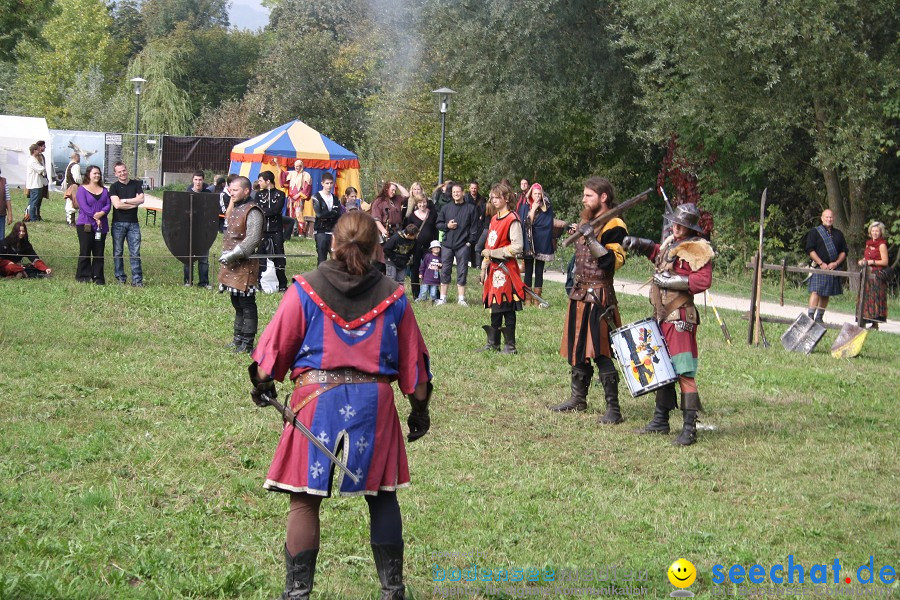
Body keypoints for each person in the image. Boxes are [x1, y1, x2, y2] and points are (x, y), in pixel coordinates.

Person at [247, 210, 432, 600]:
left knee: (304, 500)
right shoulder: (393, 297)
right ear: (376, 247)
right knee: (382, 496)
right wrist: (419, 408)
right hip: (374, 406)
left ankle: (297, 594)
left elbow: (275, 347)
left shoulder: (305, 289)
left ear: (333, 242)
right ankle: (392, 591)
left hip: (316, 403)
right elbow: (414, 364)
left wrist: (262, 383)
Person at [623, 203, 713, 446]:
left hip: (680, 318)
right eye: (674, 222)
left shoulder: (698, 249)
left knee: (684, 371)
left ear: (689, 227)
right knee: (661, 368)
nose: (675, 226)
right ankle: (660, 420)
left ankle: (689, 429)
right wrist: (641, 244)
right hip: (662, 317)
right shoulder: (671, 244)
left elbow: (703, 280)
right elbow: (659, 256)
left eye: (680, 224)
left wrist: (673, 281)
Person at [551, 177, 627, 425]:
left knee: (601, 350)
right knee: (578, 347)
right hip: (579, 293)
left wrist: (592, 238)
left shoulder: (615, 224)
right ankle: (578, 398)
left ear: (603, 197)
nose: (583, 199)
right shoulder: (588, 220)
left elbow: (612, 261)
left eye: (588, 196)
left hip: (599, 296)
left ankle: (613, 409)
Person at [218, 176, 264, 353]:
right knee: (236, 302)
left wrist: (233, 255)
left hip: (245, 264)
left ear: (246, 191)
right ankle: (237, 340)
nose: (231, 192)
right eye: (230, 189)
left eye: (235, 190)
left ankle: (247, 343)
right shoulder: (237, 208)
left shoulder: (253, 210)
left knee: (247, 304)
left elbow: (252, 240)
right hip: (232, 264)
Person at [479, 183, 525, 354]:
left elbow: (517, 246)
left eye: (497, 197)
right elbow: (488, 244)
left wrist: (493, 253)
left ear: (506, 198)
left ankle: (510, 345)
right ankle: (493, 343)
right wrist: (484, 267)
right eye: (492, 197)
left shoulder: (512, 219)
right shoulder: (493, 219)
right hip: (493, 270)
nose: (494, 200)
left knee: (507, 306)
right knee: (495, 305)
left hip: (506, 270)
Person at [805, 208, 848, 323]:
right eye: (827, 217)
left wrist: (836, 263)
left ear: (833, 218)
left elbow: (844, 251)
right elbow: (810, 249)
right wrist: (821, 263)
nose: (829, 219)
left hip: (832, 267)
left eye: (831, 217)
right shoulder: (815, 232)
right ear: (822, 218)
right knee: (815, 291)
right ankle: (810, 316)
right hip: (819, 266)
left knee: (826, 293)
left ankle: (819, 317)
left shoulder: (838, 234)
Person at [517, 182, 555, 306]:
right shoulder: (525, 207)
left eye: (539, 194)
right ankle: (527, 299)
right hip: (529, 243)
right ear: (531, 194)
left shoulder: (547, 207)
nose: (538, 196)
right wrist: (533, 209)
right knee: (528, 270)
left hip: (541, 242)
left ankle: (537, 299)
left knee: (539, 270)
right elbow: (526, 224)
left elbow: (547, 225)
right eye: (535, 194)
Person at [108, 162, 145, 287]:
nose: (122, 173)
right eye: (119, 172)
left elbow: (142, 199)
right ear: (115, 174)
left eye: (124, 170)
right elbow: (117, 205)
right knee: (118, 252)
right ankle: (120, 278)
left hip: (133, 224)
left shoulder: (136, 184)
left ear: (127, 170)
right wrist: (134, 204)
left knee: (135, 252)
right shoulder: (113, 187)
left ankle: (137, 280)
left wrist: (125, 201)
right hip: (118, 223)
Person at [74, 165, 111, 284]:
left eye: (98, 173)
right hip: (86, 225)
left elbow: (108, 205)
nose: (97, 175)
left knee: (99, 253)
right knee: (85, 251)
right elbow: (84, 206)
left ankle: (98, 277)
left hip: (101, 226)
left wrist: (102, 214)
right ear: (88, 175)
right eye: (94, 173)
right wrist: (95, 216)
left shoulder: (105, 190)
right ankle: (83, 276)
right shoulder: (82, 189)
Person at [256, 171, 289, 292]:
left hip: (276, 230)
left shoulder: (280, 194)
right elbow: (258, 209)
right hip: (263, 230)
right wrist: (267, 211)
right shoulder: (259, 195)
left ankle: (282, 284)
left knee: (279, 256)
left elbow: (277, 210)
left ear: (268, 181)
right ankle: (258, 282)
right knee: (260, 255)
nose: (259, 183)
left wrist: (265, 211)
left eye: (261, 180)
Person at [404, 190, 438, 299]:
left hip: (429, 247)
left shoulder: (432, 214)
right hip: (416, 246)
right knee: (415, 269)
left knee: (432, 268)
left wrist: (436, 244)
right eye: (419, 203)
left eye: (424, 202)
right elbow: (408, 231)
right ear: (416, 204)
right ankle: (416, 294)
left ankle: (435, 295)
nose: (422, 205)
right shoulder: (412, 217)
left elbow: (435, 230)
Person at [858, 221, 890, 329]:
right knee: (865, 298)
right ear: (870, 232)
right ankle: (863, 321)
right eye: (873, 231)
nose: (875, 233)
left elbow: (885, 262)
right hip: (866, 274)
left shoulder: (882, 245)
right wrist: (862, 261)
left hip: (877, 276)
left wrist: (872, 262)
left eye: (877, 231)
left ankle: (874, 323)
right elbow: (867, 257)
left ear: (881, 232)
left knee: (875, 298)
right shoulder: (868, 243)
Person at [184, 171, 212, 288]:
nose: (198, 182)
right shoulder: (187, 193)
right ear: (193, 180)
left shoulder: (208, 193)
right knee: (188, 257)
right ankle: (188, 281)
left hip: (204, 230)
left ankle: (204, 282)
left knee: (204, 258)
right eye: (196, 179)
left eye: (200, 180)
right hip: (189, 229)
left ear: (203, 180)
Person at [311, 172, 343, 265]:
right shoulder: (316, 197)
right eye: (327, 183)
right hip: (321, 231)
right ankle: (321, 278)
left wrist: (330, 214)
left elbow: (338, 214)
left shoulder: (335, 198)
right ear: (322, 184)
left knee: (336, 258)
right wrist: (332, 213)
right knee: (322, 259)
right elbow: (320, 214)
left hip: (333, 231)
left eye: (331, 183)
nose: (329, 186)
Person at [281, 159, 313, 237]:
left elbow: (307, 188)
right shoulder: (291, 173)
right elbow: (282, 174)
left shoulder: (306, 175)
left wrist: (298, 195)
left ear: (301, 167)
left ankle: (301, 232)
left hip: (299, 199)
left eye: (298, 166)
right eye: (295, 166)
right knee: (290, 215)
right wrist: (278, 165)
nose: (296, 168)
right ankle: (291, 231)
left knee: (299, 214)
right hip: (291, 198)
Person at [465, 180, 486, 268]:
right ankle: (468, 262)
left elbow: (484, 210)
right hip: (468, 223)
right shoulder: (465, 198)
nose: (473, 190)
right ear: (469, 188)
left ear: (477, 189)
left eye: (475, 188)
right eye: (472, 188)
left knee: (477, 244)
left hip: (479, 224)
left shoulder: (482, 199)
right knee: (469, 243)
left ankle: (477, 264)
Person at [25, 143, 48, 222]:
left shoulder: (34, 159)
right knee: (34, 202)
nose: (39, 151)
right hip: (35, 184)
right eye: (38, 150)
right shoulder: (32, 160)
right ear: (34, 150)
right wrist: (43, 169)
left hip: (37, 183)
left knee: (33, 201)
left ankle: (30, 216)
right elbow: (41, 169)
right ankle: (32, 218)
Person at [63, 153, 82, 226]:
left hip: (70, 186)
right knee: (72, 203)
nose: (80, 158)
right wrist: (81, 183)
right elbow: (77, 178)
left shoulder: (69, 165)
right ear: (76, 157)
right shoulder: (75, 166)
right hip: (74, 186)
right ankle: (71, 222)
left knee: (70, 203)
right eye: (79, 157)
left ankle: (69, 220)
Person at [0, 167, 11, 239]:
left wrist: (10, 214)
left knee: (1, 238)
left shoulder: (3, 181)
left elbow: (7, 198)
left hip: (1, 213)